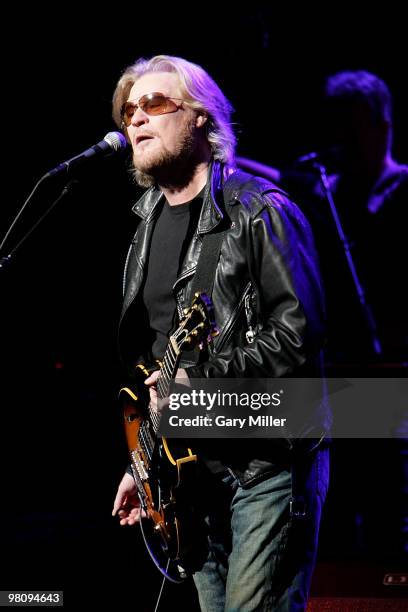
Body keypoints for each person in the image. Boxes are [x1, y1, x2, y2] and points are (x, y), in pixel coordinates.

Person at [110, 54, 330, 611]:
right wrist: (146, 464)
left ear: (200, 116)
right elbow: (157, 362)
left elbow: (299, 333)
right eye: (129, 110)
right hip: (189, 478)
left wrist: (201, 382)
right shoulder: (145, 227)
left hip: (265, 462)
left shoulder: (261, 210)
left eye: (155, 104)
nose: (136, 118)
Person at [238, 70, 408, 366]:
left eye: (352, 129)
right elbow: (276, 179)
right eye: (336, 129)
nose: (340, 142)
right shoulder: (328, 191)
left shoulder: (403, 189)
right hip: (344, 360)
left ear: (382, 128)